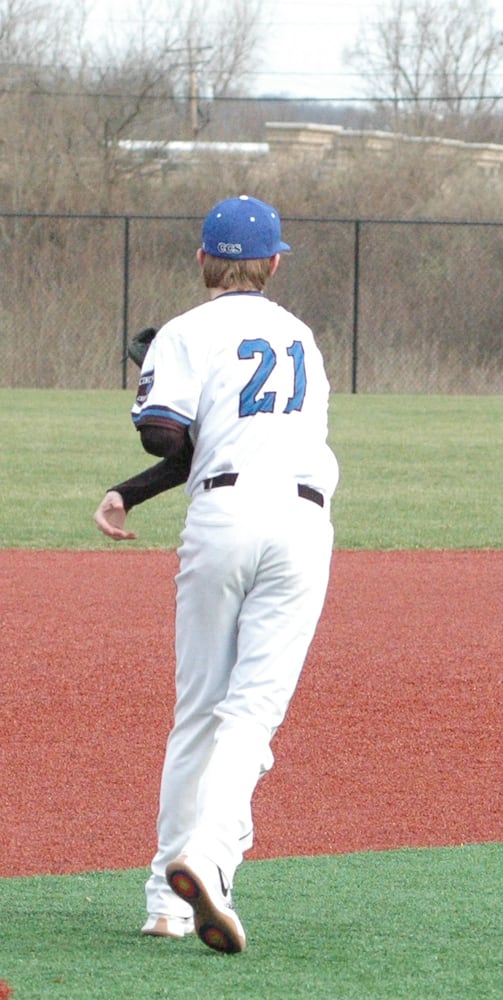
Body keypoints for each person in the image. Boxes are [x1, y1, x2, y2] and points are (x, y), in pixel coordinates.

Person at [93, 195, 339, 954]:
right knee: (251, 715)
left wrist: (157, 403)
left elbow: (168, 434)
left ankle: (167, 901)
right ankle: (207, 861)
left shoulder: (186, 330)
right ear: (272, 264)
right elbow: (246, 438)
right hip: (300, 523)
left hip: (222, 518)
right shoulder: (300, 336)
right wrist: (128, 490)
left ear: (202, 260)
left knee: (199, 709)